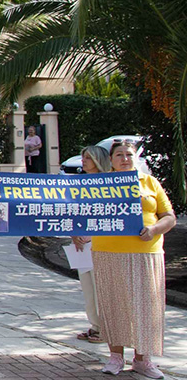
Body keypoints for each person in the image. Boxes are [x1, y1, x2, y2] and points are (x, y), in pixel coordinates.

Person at [91, 140, 176, 379]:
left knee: (146, 305)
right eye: (119, 155)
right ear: (112, 160)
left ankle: (143, 359)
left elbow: (169, 216)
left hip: (146, 251)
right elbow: (83, 210)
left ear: (135, 157)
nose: (125, 159)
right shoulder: (99, 184)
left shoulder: (149, 182)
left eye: (129, 154)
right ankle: (116, 357)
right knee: (114, 303)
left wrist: (155, 229)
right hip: (108, 251)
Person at [71, 145, 112, 344]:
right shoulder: (78, 184)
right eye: (83, 157)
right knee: (88, 288)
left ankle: (106, 328)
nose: (83, 161)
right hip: (81, 246)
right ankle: (95, 326)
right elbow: (70, 212)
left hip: (100, 244)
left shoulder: (109, 185)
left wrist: (93, 236)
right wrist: (73, 234)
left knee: (100, 288)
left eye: (88, 158)